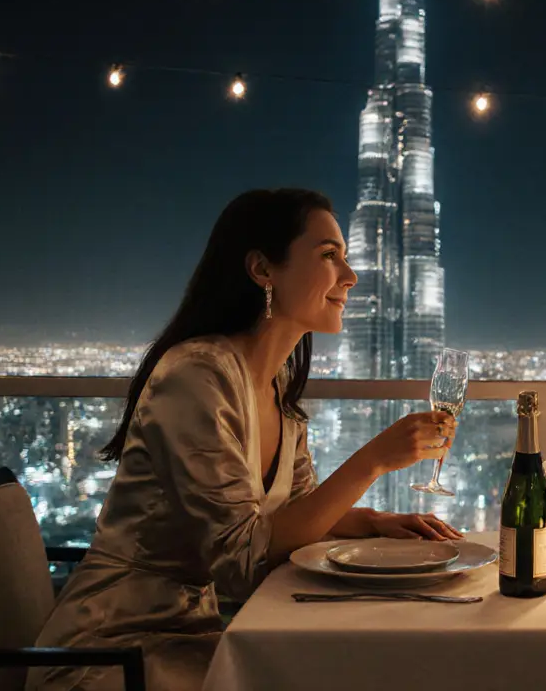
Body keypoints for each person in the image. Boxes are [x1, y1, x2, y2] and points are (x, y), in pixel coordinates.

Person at [28, 189, 462, 691]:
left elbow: (297, 514)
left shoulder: (277, 390)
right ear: (262, 270)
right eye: (328, 255)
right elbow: (243, 563)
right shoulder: (196, 377)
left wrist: (375, 523)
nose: (351, 275)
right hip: (111, 652)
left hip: (194, 636)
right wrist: (373, 462)